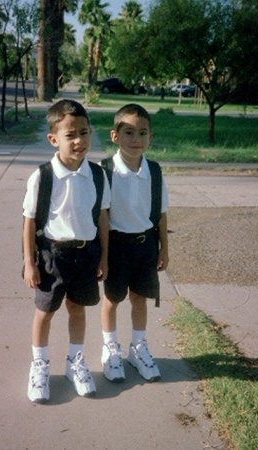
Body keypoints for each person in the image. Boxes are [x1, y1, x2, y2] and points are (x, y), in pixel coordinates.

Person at [23, 99, 110, 403]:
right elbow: (29, 220)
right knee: (44, 312)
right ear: (53, 139)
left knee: (78, 309)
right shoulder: (43, 176)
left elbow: (101, 217)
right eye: (70, 135)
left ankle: (75, 362)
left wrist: (104, 257)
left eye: (84, 133)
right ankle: (39, 366)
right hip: (52, 256)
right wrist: (29, 264)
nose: (79, 141)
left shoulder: (98, 175)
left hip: (86, 255)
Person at [100, 103, 169, 383]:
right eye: (128, 132)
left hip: (145, 245)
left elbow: (162, 213)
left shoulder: (153, 171)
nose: (136, 139)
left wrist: (165, 247)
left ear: (150, 137)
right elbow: (102, 217)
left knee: (140, 297)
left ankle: (138, 347)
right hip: (115, 246)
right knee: (112, 299)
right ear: (115, 135)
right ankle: (110, 348)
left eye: (143, 133)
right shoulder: (104, 171)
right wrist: (102, 255)